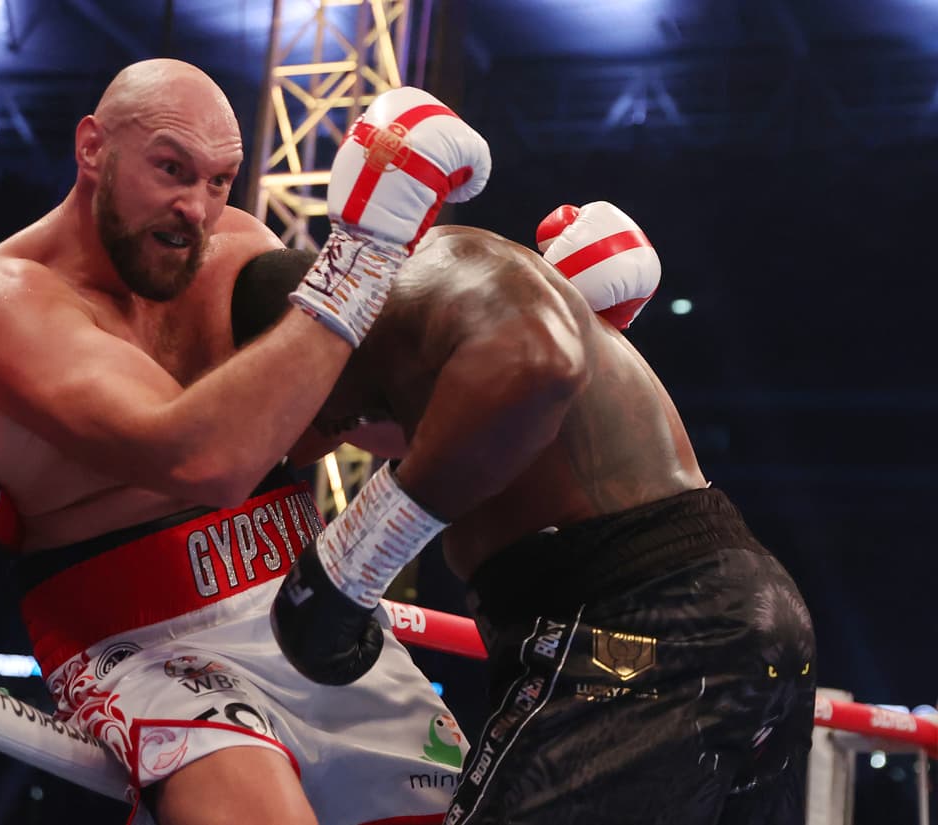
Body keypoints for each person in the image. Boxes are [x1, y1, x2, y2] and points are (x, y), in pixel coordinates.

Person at [0, 58, 491, 825]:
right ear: (93, 147)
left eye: (219, 180)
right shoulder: (4, 301)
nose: (195, 207)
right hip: (140, 636)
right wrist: (362, 256)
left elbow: (335, 421)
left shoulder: (231, 248)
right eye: (171, 169)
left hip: (297, 596)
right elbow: (202, 460)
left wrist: (509, 341)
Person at [242, 202, 816, 824]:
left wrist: (361, 551)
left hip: (643, 623)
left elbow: (540, 363)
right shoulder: (434, 374)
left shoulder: (438, 265)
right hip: (723, 616)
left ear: (305, 341)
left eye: (284, 397)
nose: (311, 432)